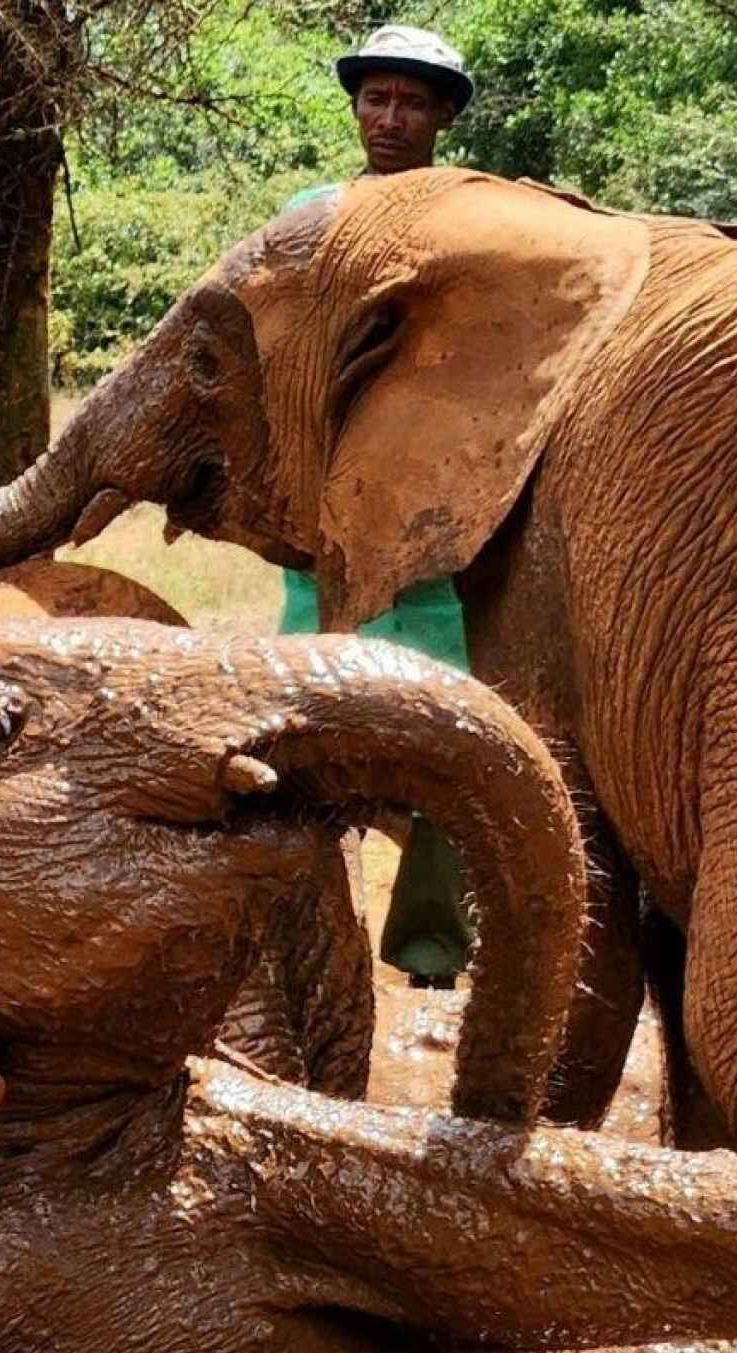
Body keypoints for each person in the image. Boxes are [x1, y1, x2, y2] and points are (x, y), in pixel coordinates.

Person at [282, 25, 478, 989]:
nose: (391, 119)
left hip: (441, 513)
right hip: (326, 507)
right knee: (301, 737)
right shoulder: (310, 218)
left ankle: (432, 947)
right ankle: (308, 941)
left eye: (413, 102)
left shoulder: (479, 223)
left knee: (455, 732)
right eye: (377, 100)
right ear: (356, 108)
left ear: (443, 115)